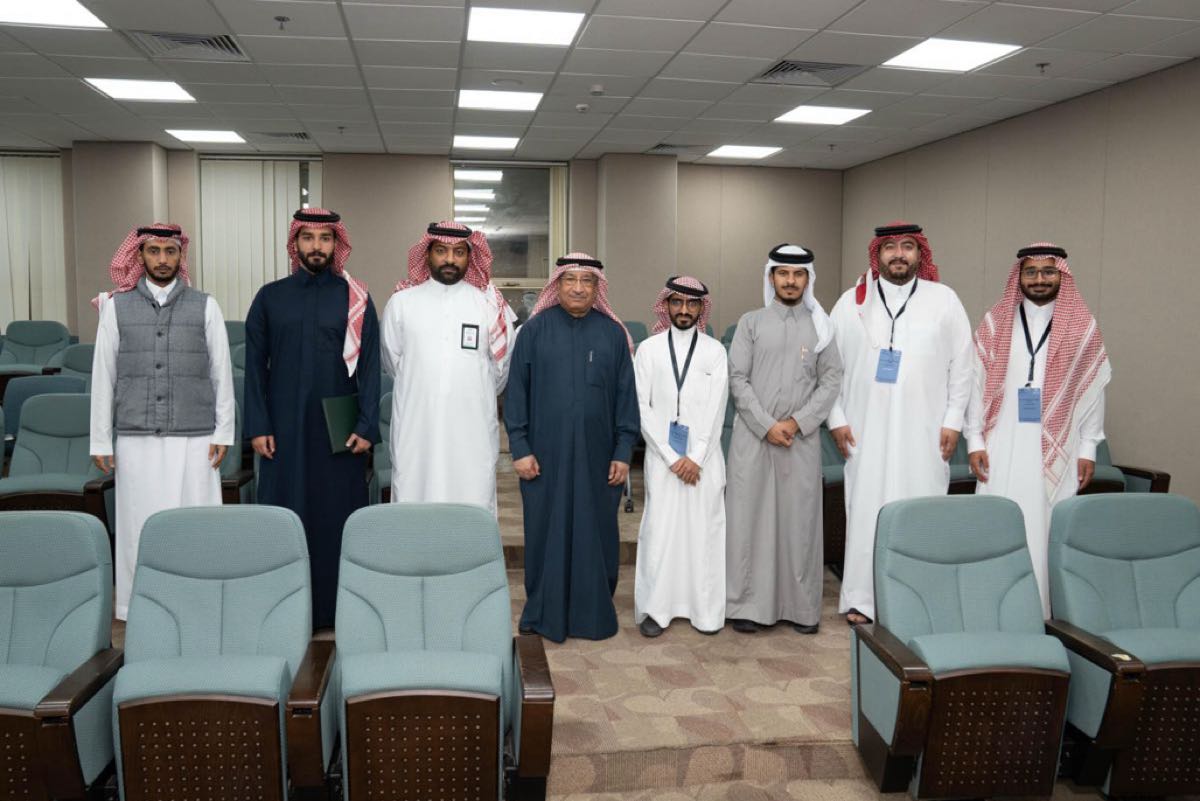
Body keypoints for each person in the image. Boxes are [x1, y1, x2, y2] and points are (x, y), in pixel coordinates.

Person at [828, 223, 972, 624]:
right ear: (877, 254)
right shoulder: (851, 302)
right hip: (863, 431)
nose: (899, 254)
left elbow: (963, 365)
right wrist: (836, 418)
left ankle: (920, 599)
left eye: (907, 246)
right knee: (865, 512)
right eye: (890, 247)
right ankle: (863, 599)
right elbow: (829, 367)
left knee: (921, 511)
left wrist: (954, 420)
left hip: (925, 434)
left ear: (919, 254)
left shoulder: (944, 300)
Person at [89, 223, 235, 620]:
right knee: (139, 525)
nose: (162, 259)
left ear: (180, 255)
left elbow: (221, 373)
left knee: (196, 526)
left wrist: (224, 431)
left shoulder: (206, 305)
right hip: (136, 438)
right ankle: (139, 606)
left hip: (196, 438)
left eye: (170, 251)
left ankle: (201, 603)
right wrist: (100, 439)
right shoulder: (116, 307)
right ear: (139, 255)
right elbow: (104, 375)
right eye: (154, 251)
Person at [244, 208, 380, 629]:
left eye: (325, 238)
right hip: (283, 430)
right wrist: (258, 426)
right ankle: (282, 609)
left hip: (339, 433)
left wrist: (366, 426)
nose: (316, 246)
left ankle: (336, 611)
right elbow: (254, 368)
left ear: (336, 244)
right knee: (284, 517)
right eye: (308, 238)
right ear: (295, 244)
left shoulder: (355, 299)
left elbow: (371, 368)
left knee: (335, 518)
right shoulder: (270, 297)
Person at [965, 243, 1109, 618]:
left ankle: (1044, 613)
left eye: (1048, 271)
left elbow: (1093, 391)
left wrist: (1088, 448)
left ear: (1062, 275)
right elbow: (975, 385)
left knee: (1048, 528)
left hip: (1058, 448)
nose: (1039, 279)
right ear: (1019, 276)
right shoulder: (996, 323)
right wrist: (974, 440)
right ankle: (991, 608)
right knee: (997, 521)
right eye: (1031, 272)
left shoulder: (1082, 326)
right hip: (1001, 443)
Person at [504, 252, 639, 642]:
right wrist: (519, 447)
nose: (578, 288)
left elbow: (626, 398)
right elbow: (516, 395)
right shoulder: (533, 332)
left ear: (597, 288)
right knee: (545, 531)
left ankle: (593, 615)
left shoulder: (612, 335)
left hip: (600, 458)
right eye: (570, 280)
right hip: (543, 457)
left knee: (596, 532)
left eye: (587, 281)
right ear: (557, 284)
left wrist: (623, 451)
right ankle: (543, 612)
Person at [726, 245, 842, 634]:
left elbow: (831, 380)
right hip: (753, 439)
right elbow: (737, 379)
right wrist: (767, 424)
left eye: (798, 274)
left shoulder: (822, 327)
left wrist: (796, 422)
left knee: (799, 525)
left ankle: (800, 609)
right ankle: (746, 606)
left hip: (800, 441)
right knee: (750, 522)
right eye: (783, 273)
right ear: (771, 277)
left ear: (808, 279)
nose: (790, 281)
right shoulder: (751, 323)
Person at [382, 221, 516, 512]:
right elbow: (394, 364)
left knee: (472, 500)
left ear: (470, 257)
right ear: (428, 254)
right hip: (417, 426)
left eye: (459, 252)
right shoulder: (401, 303)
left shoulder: (490, 306)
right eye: (441, 251)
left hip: (472, 428)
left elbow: (501, 370)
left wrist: (470, 392)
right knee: (414, 499)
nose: (450, 259)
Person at [633, 276, 729, 637]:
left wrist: (696, 456)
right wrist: (672, 456)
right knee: (660, 533)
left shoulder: (715, 352)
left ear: (701, 308)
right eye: (677, 302)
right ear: (666, 306)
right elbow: (642, 408)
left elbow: (718, 409)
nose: (684, 310)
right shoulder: (648, 349)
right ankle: (656, 610)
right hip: (663, 461)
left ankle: (705, 613)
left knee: (704, 534)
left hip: (704, 461)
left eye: (692, 303)